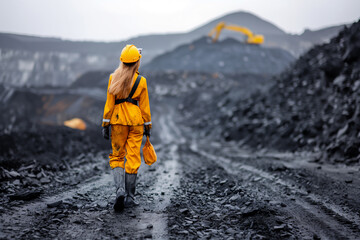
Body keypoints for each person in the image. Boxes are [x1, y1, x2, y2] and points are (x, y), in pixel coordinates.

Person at [102, 45, 152, 211]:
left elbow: (109, 104)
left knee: (117, 156)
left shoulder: (112, 78)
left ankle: (119, 191)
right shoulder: (141, 81)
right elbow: (145, 107)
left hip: (117, 121)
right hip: (136, 121)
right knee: (132, 157)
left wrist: (105, 124)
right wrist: (148, 126)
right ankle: (130, 198)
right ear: (137, 62)